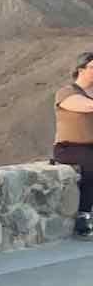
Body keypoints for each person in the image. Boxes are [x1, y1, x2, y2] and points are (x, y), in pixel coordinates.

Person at [58, 50, 93, 239]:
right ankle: (83, 217)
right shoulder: (66, 92)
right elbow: (84, 106)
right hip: (69, 147)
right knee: (91, 164)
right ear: (81, 69)